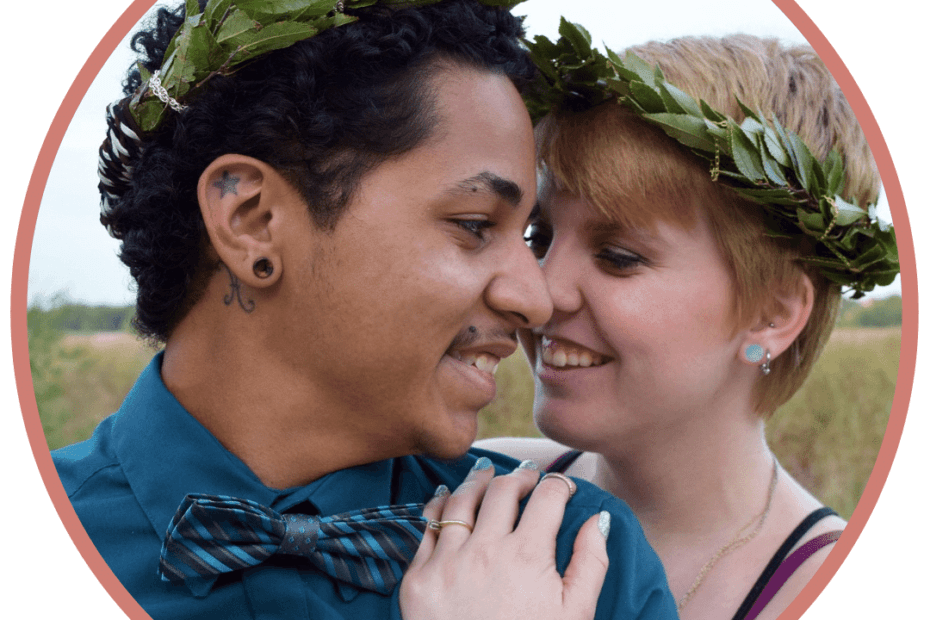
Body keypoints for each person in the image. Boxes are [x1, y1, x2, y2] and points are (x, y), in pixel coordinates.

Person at [50, 1, 677, 619]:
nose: (535, 299)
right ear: (254, 222)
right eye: (473, 224)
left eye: (527, 236)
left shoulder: (580, 558)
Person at [479, 33, 896, 620]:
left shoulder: (805, 583)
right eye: (539, 237)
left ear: (773, 313)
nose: (540, 292)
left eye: (618, 256)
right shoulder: (476, 493)